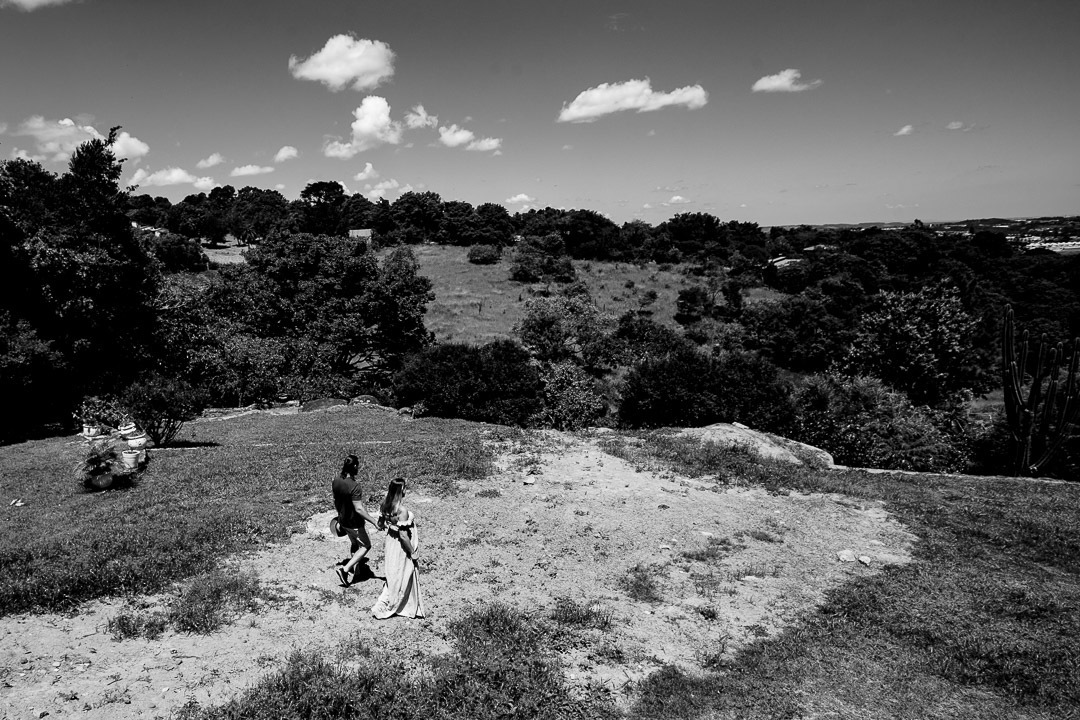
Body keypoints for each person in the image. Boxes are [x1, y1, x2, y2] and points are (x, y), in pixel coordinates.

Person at [371, 478, 426, 619]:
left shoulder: (385, 505)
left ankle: (393, 597)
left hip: (390, 541)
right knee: (403, 571)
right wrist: (412, 552)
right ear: (402, 490)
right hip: (400, 546)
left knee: (393, 571)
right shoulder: (402, 510)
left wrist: (390, 525)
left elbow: (380, 524)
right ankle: (399, 603)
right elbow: (403, 536)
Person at [331, 454, 380, 586]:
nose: (359, 467)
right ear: (354, 466)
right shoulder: (354, 486)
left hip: (343, 520)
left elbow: (336, 501)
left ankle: (357, 570)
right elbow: (359, 509)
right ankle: (345, 570)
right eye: (357, 465)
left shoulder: (336, 480)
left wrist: (340, 516)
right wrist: (374, 521)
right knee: (365, 546)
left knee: (354, 544)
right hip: (354, 523)